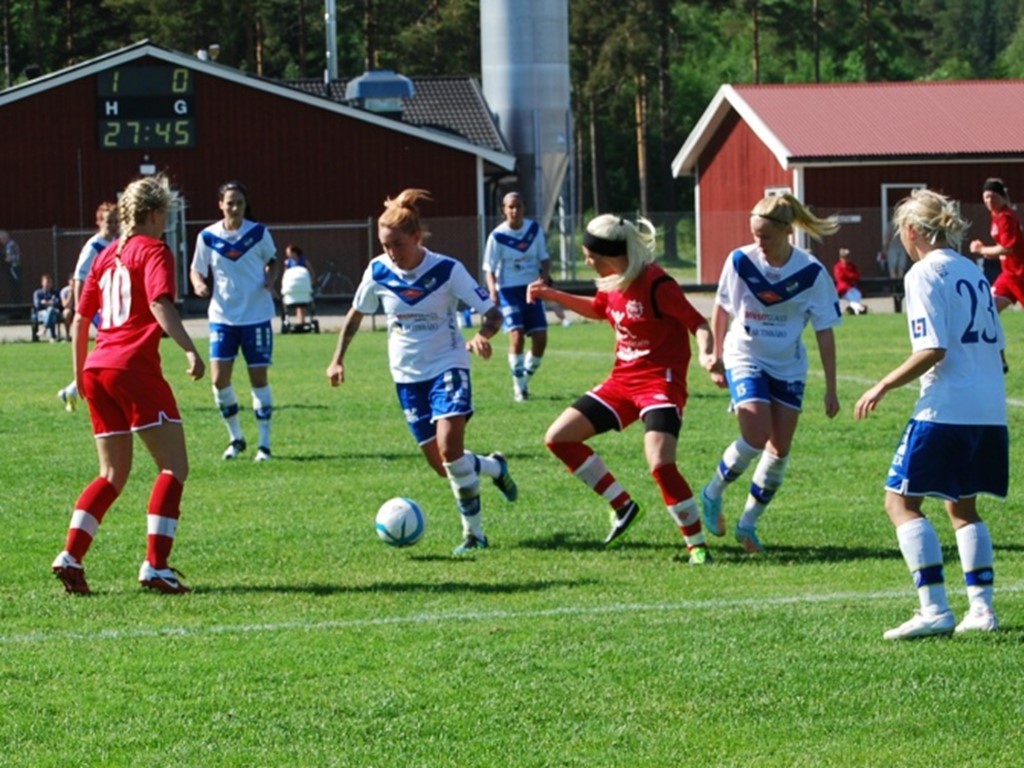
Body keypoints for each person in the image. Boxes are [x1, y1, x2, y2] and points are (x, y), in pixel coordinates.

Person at [326, 188, 518, 556]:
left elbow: (492, 313)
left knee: (449, 449)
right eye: (384, 245)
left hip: (448, 365)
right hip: (406, 377)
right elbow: (356, 314)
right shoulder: (378, 271)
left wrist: (481, 335)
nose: (390, 252)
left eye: (397, 244)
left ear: (416, 237)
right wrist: (338, 358)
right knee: (443, 465)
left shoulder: (447, 269)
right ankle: (494, 467)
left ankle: (474, 534)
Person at [854, 188, 1007, 640]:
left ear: (912, 230)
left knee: (900, 501)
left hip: (947, 406)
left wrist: (882, 383)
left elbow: (932, 348)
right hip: (989, 407)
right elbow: (996, 349)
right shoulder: (973, 270)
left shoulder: (923, 273)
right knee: (962, 505)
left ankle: (934, 607)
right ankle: (981, 609)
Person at [528, 215, 717, 561]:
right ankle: (623, 505)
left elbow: (698, 322)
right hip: (622, 382)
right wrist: (551, 295)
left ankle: (697, 545)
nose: (586, 260)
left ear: (609, 254)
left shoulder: (657, 283)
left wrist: (707, 354)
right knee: (558, 437)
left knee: (660, 464)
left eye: (589, 254)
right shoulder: (614, 280)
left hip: (661, 383)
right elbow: (600, 310)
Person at [51, 174, 205, 595]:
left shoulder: (105, 256)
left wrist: (81, 372)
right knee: (174, 467)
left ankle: (71, 555)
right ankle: (156, 565)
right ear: (155, 214)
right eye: (165, 217)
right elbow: (158, 302)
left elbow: (81, 319)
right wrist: (189, 349)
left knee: (111, 473)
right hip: (133, 367)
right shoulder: (153, 249)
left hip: (98, 368)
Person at [699, 192, 842, 553]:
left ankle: (748, 525)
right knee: (756, 435)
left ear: (786, 231)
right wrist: (716, 354)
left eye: (765, 236)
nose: (758, 243)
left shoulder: (811, 272)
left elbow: (825, 331)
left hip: (789, 365)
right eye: (754, 235)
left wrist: (831, 389)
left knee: (779, 449)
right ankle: (713, 492)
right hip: (744, 355)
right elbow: (722, 306)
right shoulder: (740, 261)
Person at [190, 180, 279, 462]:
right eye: (230, 202)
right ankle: (236, 438)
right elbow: (196, 270)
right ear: (220, 205)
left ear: (244, 205)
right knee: (219, 379)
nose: (235, 207)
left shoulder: (258, 233)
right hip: (222, 317)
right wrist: (198, 285)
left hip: (256, 316)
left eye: (239, 202)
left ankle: (264, 445)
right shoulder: (208, 236)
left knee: (258, 379)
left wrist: (270, 279)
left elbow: (273, 260)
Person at [483, 191, 551, 402]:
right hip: (509, 291)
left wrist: (544, 278)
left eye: (518, 206)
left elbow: (544, 258)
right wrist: (493, 290)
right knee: (517, 334)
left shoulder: (534, 230)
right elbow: (489, 268)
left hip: (532, 289)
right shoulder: (497, 236)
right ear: (504, 210)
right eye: (510, 207)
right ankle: (518, 388)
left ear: (524, 208)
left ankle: (524, 377)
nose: (514, 211)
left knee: (540, 340)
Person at [58, 201, 118, 412]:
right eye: (108, 221)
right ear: (99, 222)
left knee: (109, 347)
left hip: (113, 305)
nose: (112, 225)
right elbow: (79, 278)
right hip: (97, 307)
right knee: (112, 344)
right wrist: (80, 309)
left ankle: (73, 389)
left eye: (116, 221)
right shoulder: (93, 246)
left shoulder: (120, 243)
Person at [968, 177, 1024, 313]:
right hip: (1008, 274)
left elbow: (1008, 248)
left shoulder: (1006, 217)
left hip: (1019, 274)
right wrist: (988, 252)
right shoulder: (997, 216)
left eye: (993, 196)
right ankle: (986, 334)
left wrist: (981, 249)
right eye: (986, 197)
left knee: (987, 309)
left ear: (1002, 197)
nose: (989, 200)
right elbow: (1004, 248)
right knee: (988, 308)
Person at [281, 243, 315, 327]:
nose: (287, 254)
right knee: (295, 302)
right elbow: (286, 273)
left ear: (294, 252)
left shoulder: (303, 260)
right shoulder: (288, 262)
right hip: (293, 284)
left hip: (302, 283)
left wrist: (311, 280)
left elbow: (310, 270)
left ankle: (302, 321)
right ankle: (299, 320)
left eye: (289, 252)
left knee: (302, 304)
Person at [833, 247, 867, 315]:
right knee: (851, 297)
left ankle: (854, 310)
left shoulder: (852, 266)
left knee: (857, 295)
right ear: (840, 258)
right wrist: (850, 276)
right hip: (843, 289)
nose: (846, 259)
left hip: (852, 287)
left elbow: (857, 276)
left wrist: (848, 276)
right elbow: (840, 277)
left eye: (847, 257)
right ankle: (860, 308)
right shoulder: (838, 266)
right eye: (844, 257)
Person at [32, 273, 63, 342]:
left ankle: (44, 329)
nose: (48, 284)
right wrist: (50, 303)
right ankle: (53, 337)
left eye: (50, 282)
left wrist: (45, 303)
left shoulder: (55, 293)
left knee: (51, 311)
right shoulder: (37, 293)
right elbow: (37, 305)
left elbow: (58, 303)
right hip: (41, 313)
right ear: (42, 283)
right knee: (51, 315)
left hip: (55, 312)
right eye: (46, 282)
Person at [0, 229, 21, 303]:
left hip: (14, 267)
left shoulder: (10, 245)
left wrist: (5, 258)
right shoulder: (8, 246)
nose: (1, 242)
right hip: (12, 267)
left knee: (15, 285)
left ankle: (17, 303)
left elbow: (10, 258)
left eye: (1, 240)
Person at [59, 273, 74, 341]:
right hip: (69, 309)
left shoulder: (81, 289)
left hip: (80, 310)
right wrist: (71, 294)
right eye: (72, 280)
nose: (74, 282)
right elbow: (65, 305)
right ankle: (68, 335)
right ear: (69, 281)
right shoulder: (64, 291)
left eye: (75, 280)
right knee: (67, 313)